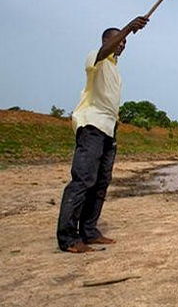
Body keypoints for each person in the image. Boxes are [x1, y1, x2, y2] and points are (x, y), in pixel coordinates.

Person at [57, 15, 149, 253]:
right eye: (118, 40)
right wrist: (129, 27)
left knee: (100, 183)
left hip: (109, 130)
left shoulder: (115, 70)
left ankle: (89, 231)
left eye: (124, 43)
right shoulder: (96, 58)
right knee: (83, 180)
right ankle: (68, 238)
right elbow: (105, 48)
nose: (122, 44)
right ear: (106, 40)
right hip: (92, 127)